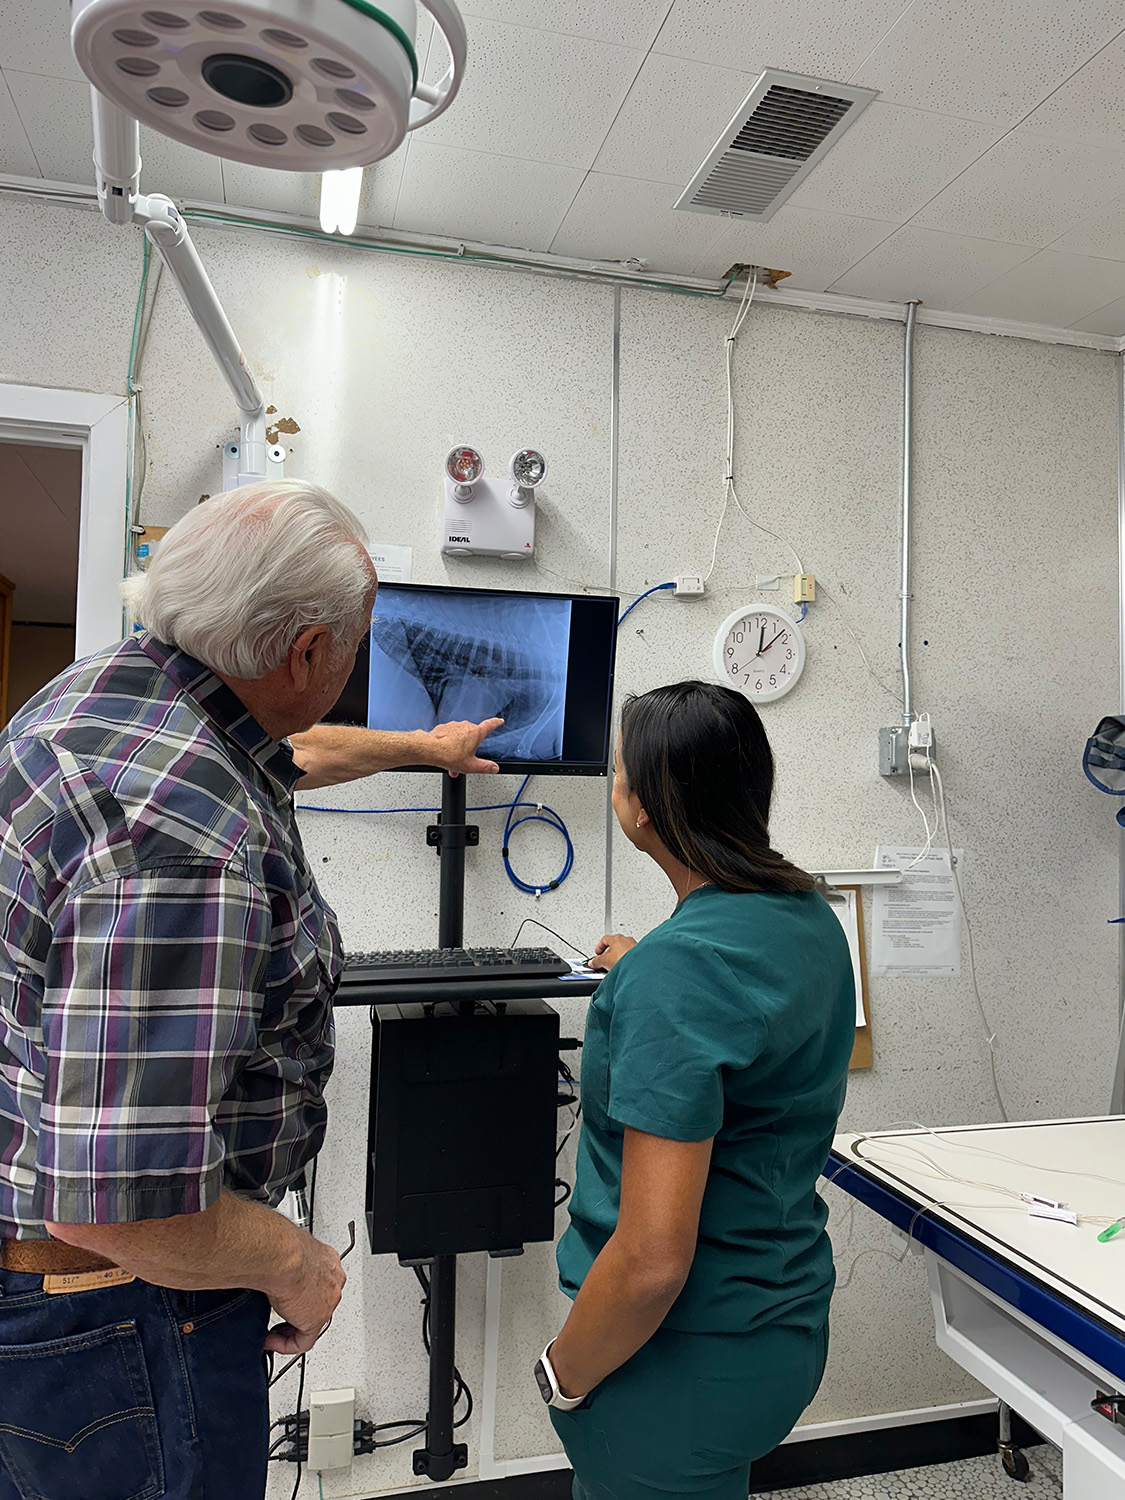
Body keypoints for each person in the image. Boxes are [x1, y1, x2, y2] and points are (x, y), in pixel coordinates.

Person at [0, 480, 502, 1500]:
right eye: (355, 646)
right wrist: (296, 1266)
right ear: (308, 654)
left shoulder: (108, 699)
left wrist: (424, 750)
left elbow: (284, 757)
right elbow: (123, 1207)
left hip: (60, 1300)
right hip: (119, 1307)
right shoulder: (180, 847)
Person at [537, 681, 856, 1500]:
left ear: (641, 807)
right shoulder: (805, 915)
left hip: (671, 1360)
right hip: (779, 1327)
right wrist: (643, 965)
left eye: (616, 775)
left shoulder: (679, 974)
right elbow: (737, 1012)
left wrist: (562, 1377)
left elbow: (648, 1262)